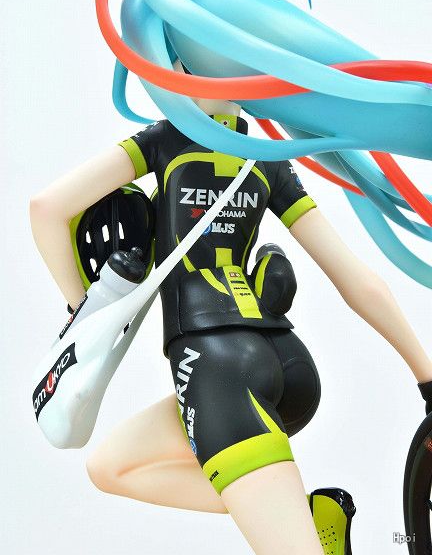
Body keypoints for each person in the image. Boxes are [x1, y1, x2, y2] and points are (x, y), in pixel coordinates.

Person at [30, 61, 432, 554]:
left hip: (216, 369)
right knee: (110, 465)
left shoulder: (163, 142)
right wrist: (427, 377)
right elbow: (357, 279)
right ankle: (299, 515)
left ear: (181, 65)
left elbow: (45, 210)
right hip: (287, 363)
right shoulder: (267, 159)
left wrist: (84, 313)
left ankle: (293, 523)